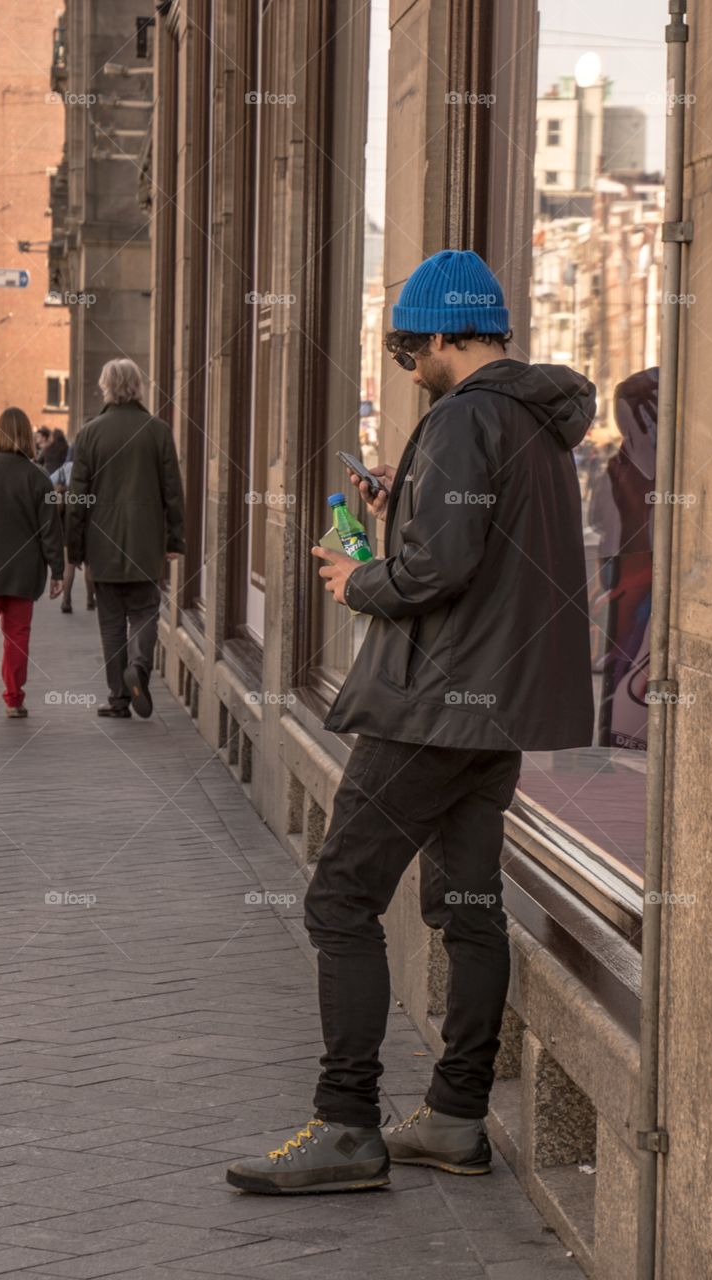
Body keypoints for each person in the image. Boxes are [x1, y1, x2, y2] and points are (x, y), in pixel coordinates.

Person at [226, 249, 597, 1196]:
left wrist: (360, 579)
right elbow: (480, 553)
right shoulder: (538, 426)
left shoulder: (465, 417)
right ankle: (455, 1115)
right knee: (464, 906)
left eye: (408, 353)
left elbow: (442, 573)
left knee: (340, 899)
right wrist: (409, 507)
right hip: (493, 716)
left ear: (439, 336)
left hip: (432, 710)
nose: (408, 369)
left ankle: (347, 1124)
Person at [67, 358, 185, 719]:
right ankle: (140, 668)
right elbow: (173, 492)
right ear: (138, 387)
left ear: (106, 387)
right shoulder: (158, 430)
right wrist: (173, 541)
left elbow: (78, 498)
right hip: (146, 543)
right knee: (146, 611)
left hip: (102, 545)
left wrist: (75, 547)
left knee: (112, 622)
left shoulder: (89, 433)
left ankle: (118, 698)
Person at [0, 407, 64, 720]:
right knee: (17, 636)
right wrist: (58, 572)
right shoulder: (39, 478)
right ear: (28, 436)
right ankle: (13, 699)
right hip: (24, 571)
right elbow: (51, 529)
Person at [50, 458, 95, 614]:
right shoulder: (94, 465)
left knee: (69, 563)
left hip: (68, 518)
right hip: (89, 515)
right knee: (89, 563)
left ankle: (66, 600)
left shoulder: (66, 467)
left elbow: (50, 481)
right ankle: (90, 600)